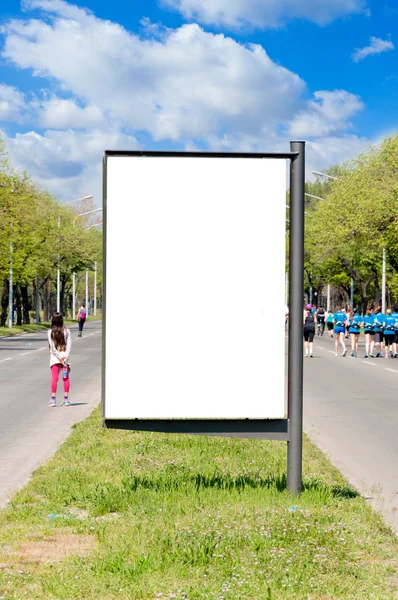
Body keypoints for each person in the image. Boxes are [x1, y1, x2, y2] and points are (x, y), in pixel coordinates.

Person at [48, 312, 71, 407]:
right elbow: (69, 345)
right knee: (65, 378)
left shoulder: (50, 332)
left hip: (55, 358)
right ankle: (66, 400)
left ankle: (53, 400)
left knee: (54, 378)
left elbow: (52, 348)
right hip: (65, 358)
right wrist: (65, 357)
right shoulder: (67, 331)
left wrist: (60, 357)